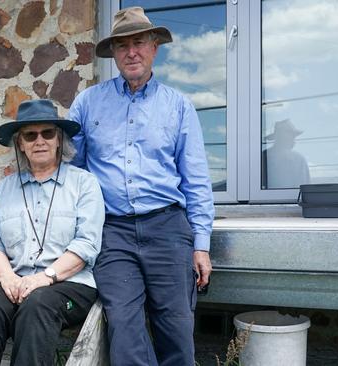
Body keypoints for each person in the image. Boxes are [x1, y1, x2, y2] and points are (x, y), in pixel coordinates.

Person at [68, 7, 215, 366]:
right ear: (114, 54)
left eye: (138, 43)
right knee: (124, 328)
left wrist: (201, 244)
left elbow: (196, 178)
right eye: (122, 45)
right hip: (112, 231)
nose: (131, 52)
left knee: (176, 330)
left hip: (167, 228)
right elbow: (72, 171)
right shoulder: (87, 103)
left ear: (154, 48)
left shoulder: (178, 106)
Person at [0, 99, 105, 366]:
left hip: (69, 285)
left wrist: (46, 277)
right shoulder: (5, 189)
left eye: (47, 133)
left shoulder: (84, 184)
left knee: (38, 304)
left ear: (59, 140)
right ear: (20, 144)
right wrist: (6, 278)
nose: (39, 141)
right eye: (30, 135)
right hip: (17, 281)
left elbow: (87, 244)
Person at [262, 119, 310, 189]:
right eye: (292, 136)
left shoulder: (263, 156)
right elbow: (305, 188)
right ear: (281, 138)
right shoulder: (298, 159)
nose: (294, 139)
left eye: (293, 136)